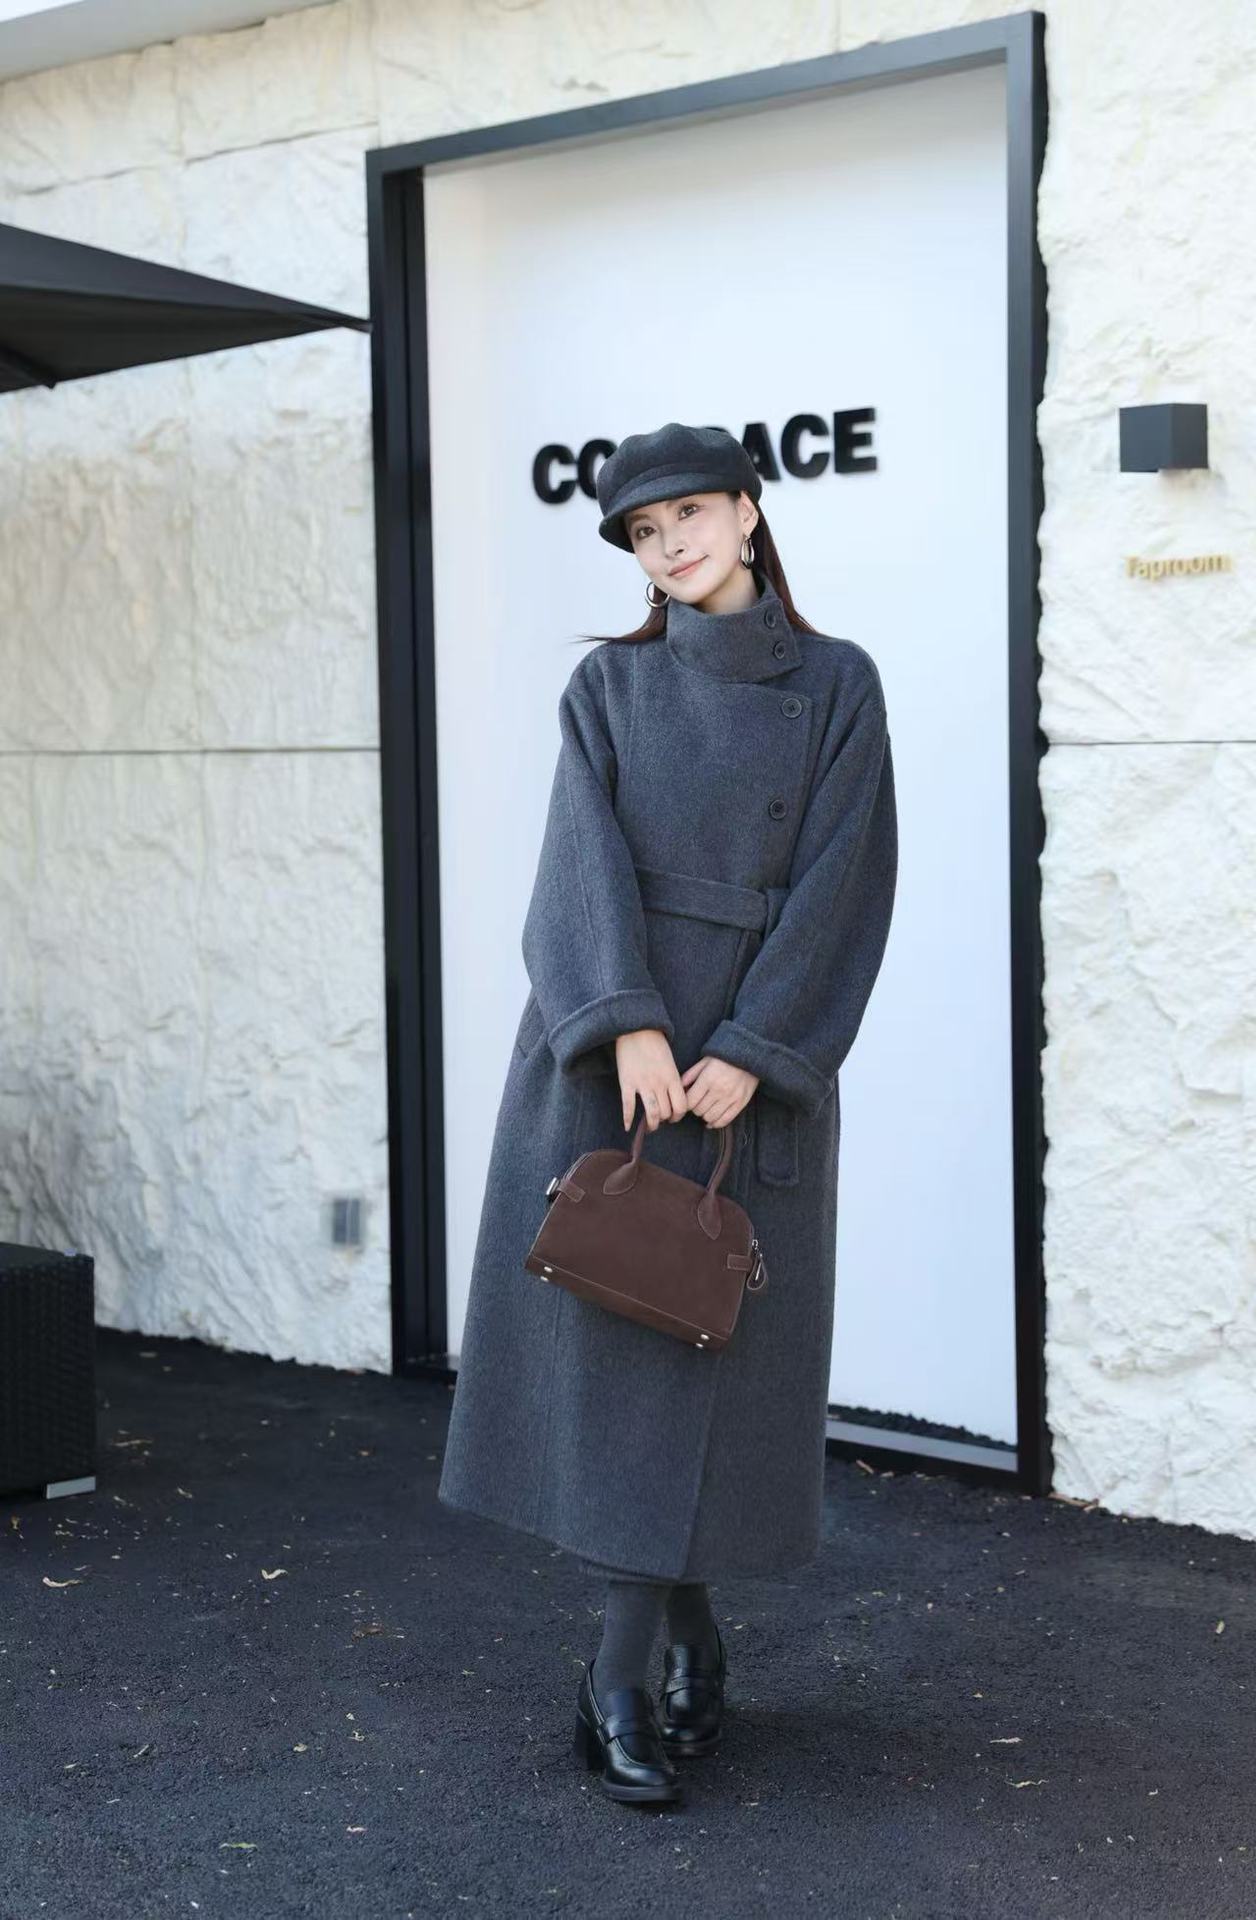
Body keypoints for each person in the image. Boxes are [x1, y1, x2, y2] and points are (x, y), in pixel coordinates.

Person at [437, 421, 898, 1805]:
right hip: (610, 1064)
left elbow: (850, 875)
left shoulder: (838, 683)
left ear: (749, 513)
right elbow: (572, 863)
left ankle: (682, 1638)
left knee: (715, 1363)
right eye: (644, 532)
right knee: (630, 1379)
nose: (670, 544)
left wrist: (761, 1046)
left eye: (689, 514)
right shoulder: (611, 686)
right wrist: (625, 1019)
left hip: (752, 1072)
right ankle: (622, 1677)